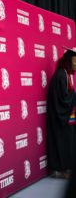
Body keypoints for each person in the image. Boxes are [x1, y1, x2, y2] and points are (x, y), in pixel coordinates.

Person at [47, 46, 76, 179]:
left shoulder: (66, 74)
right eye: (75, 61)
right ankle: (62, 169)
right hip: (60, 117)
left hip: (66, 116)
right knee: (63, 142)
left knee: (69, 140)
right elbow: (63, 100)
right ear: (69, 60)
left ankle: (67, 168)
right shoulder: (61, 75)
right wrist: (74, 96)